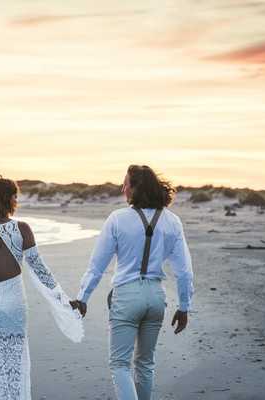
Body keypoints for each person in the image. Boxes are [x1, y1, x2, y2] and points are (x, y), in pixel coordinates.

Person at [0, 176, 83, 400]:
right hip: (14, 305)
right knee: (14, 363)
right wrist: (63, 299)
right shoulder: (22, 229)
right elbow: (41, 271)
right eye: (14, 195)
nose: (16, 200)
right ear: (8, 198)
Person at [71, 165, 194, 400]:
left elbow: (97, 265)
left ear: (136, 188)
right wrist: (185, 306)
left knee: (119, 365)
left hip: (126, 296)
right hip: (156, 297)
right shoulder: (172, 221)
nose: (122, 188)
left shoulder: (117, 219)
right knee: (145, 364)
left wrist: (83, 297)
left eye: (126, 183)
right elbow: (185, 271)